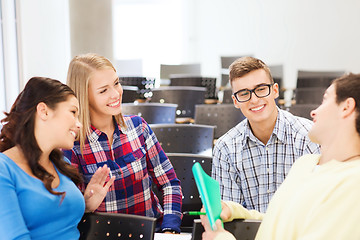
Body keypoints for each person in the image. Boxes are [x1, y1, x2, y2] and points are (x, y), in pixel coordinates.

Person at [202, 72, 360, 239]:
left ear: (346, 107)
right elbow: (281, 224)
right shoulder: (306, 164)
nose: (314, 112)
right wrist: (233, 209)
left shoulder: (354, 184)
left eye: (325, 100)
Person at [63, 53, 182, 234]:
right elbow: (66, 215)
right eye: (103, 90)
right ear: (82, 96)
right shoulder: (71, 145)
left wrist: (170, 228)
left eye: (116, 83)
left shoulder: (138, 127)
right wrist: (85, 205)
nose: (115, 94)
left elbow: (170, 183)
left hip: (151, 232)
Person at [0, 77, 115, 240]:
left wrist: (86, 206)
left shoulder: (61, 164)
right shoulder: (4, 169)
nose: (79, 124)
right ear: (44, 111)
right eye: (73, 112)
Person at [212, 57, 320, 212]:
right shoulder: (225, 148)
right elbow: (230, 217)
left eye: (261, 89)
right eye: (243, 93)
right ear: (235, 101)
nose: (254, 99)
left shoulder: (309, 137)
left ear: (275, 90)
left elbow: (317, 208)